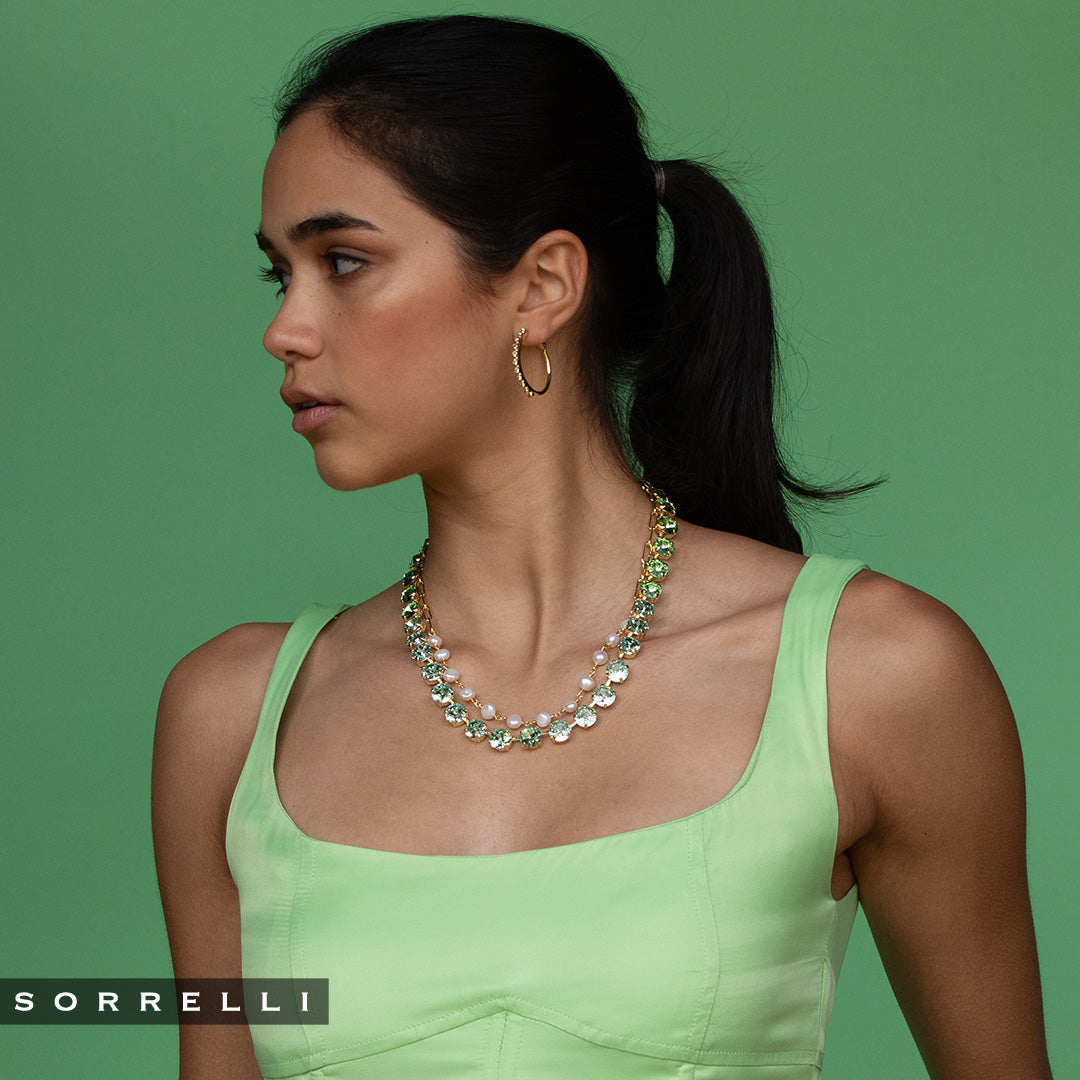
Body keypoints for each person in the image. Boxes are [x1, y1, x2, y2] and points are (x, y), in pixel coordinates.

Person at [151, 14, 1052, 1079]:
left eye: (343, 261)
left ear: (543, 287)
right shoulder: (233, 718)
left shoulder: (874, 677)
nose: (285, 330)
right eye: (282, 275)